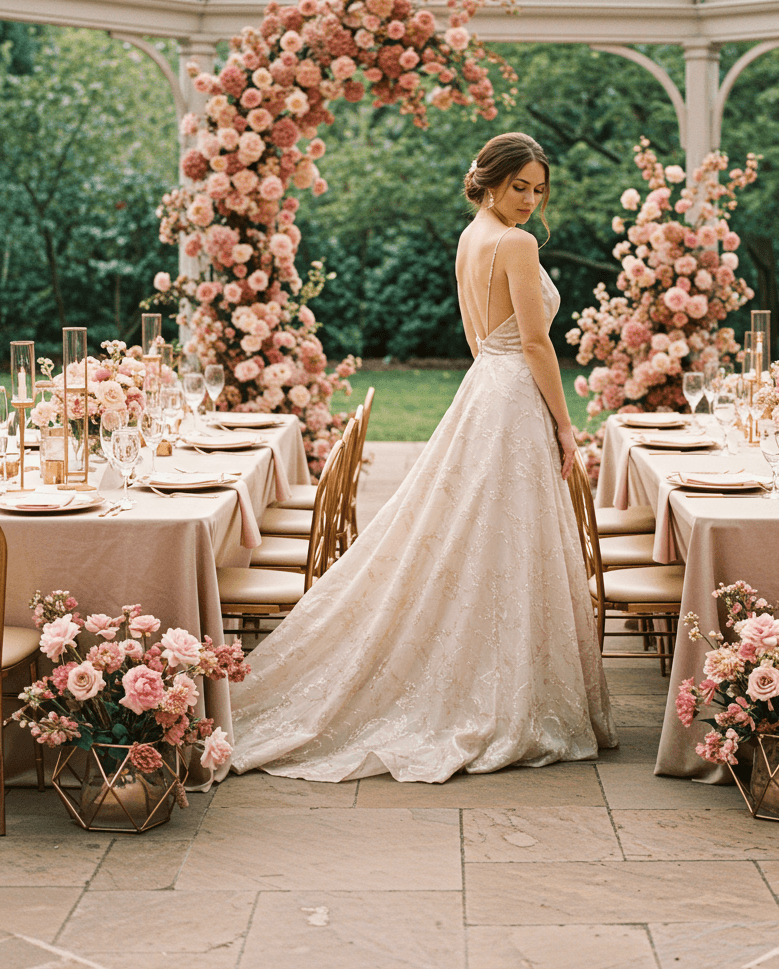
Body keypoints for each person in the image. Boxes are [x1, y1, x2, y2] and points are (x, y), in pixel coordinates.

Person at [230, 132, 617, 782]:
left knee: (486, 541)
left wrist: (501, 386)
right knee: (506, 542)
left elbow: (478, 336)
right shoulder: (515, 243)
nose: (530, 200)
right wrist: (567, 425)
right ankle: (504, 693)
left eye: (539, 189)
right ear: (489, 179)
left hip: (486, 387)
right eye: (519, 186)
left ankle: (491, 676)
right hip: (515, 393)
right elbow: (538, 345)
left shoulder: (472, 237)